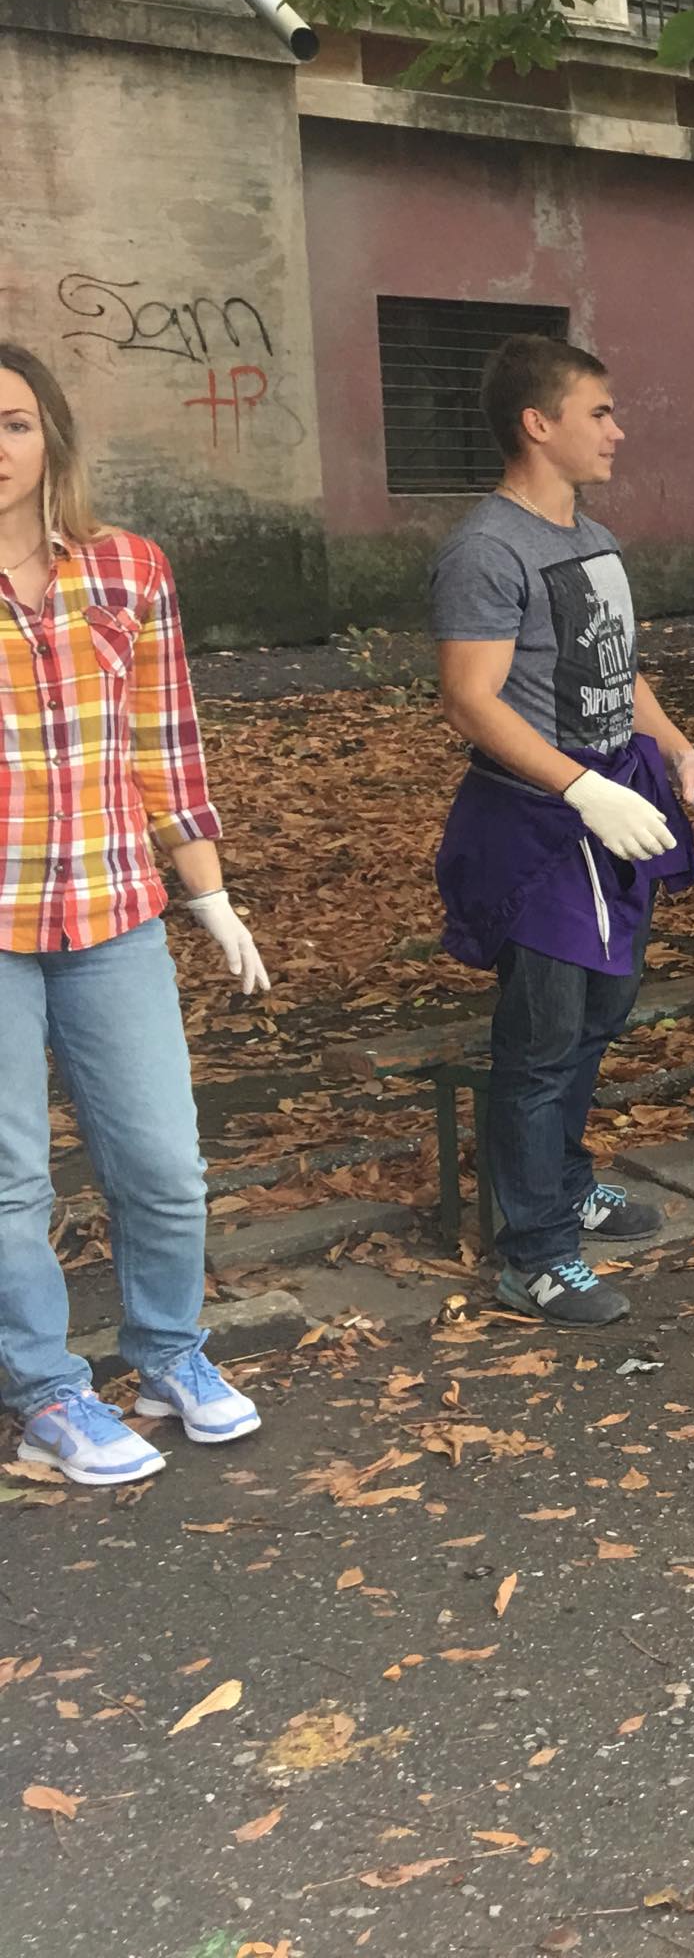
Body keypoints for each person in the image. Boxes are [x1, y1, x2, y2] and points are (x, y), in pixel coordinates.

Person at [0, 345, 273, 1481]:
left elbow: (166, 748)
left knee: (164, 1163)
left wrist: (210, 896)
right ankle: (47, 1391)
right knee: (11, 1183)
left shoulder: (126, 569)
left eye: (13, 423)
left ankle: (168, 1352)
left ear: (50, 436)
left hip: (114, 913)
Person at [431, 335, 694, 1327]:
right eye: (599, 412)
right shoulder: (486, 549)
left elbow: (615, 671)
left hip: (615, 812)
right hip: (535, 832)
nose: (617, 431)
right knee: (544, 1038)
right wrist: (579, 789)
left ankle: (560, 1179)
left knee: (600, 1014)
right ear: (537, 423)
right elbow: (469, 699)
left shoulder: (591, 537)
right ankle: (537, 1253)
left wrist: (679, 752)